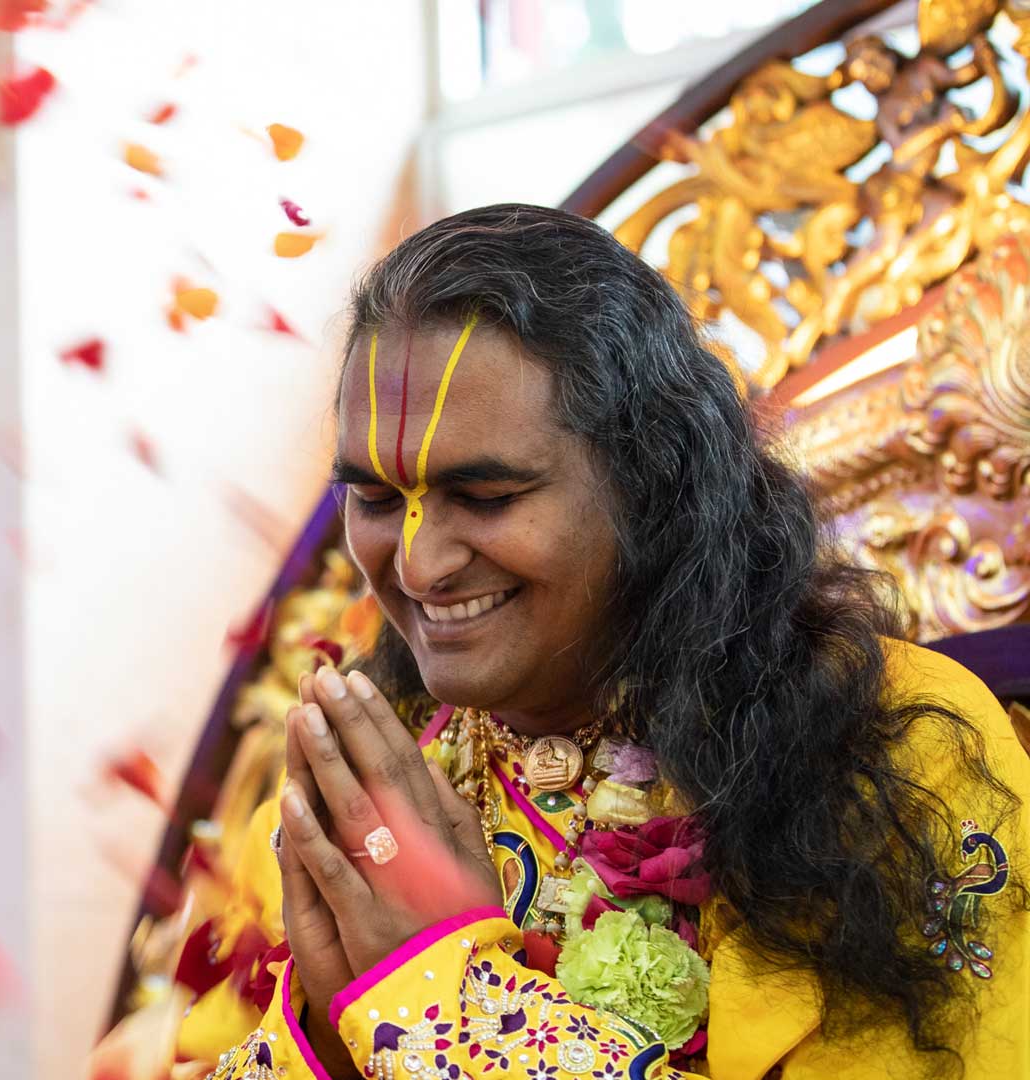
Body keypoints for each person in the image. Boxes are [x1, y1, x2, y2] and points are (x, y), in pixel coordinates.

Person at [187, 204, 1028, 1079]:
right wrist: (326, 1034)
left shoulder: (888, 752)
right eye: (372, 498)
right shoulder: (351, 802)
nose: (418, 564)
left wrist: (444, 1002)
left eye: (486, 497)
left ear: (652, 481)